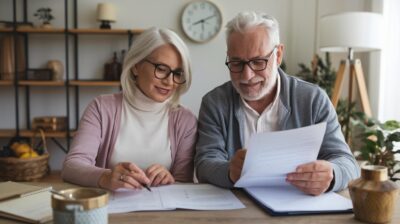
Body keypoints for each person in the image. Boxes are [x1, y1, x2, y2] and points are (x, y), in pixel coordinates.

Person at [194, 11, 360, 196]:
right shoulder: (215, 103)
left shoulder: (313, 99)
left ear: (278, 55)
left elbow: (347, 163)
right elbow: (204, 163)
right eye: (236, 63)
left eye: (258, 62)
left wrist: (332, 174)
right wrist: (229, 171)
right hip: (236, 210)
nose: (247, 76)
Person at [62, 27, 197, 191]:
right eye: (161, 69)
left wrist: (171, 180)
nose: (170, 82)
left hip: (163, 214)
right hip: (110, 210)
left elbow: (184, 183)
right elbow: (72, 166)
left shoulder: (185, 120)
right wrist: (106, 177)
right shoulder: (102, 108)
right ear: (135, 66)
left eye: (177, 73)